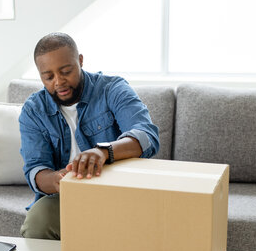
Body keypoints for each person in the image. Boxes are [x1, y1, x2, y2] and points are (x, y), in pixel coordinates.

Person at [19, 32, 160, 239]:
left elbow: (146, 136)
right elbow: (35, 170)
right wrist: (57, 180)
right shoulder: (33, 111)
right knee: (38, 221)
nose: (58, 82)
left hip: (120, 190)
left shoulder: (112, 89)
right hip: (67, 196)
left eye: (66, 71)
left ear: (80, 61)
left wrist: (104, 152)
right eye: (48, 77)